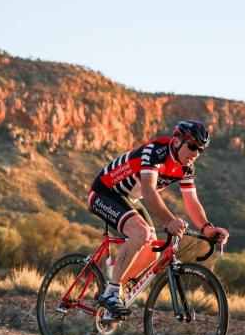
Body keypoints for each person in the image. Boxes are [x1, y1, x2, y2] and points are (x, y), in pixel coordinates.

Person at [87, 119, 229, 317]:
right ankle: (111, 292)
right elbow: (149, 189)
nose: (196, 154)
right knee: (141, 233)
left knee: (152, 251)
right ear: (177, 140)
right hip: (104, 192)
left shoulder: (186, 168)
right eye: (192, 146)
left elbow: (192, 201)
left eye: (201, 150)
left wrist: (207, 228)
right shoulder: (155, 151)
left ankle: (111, 289)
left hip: (130, 198)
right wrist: (170, 220)